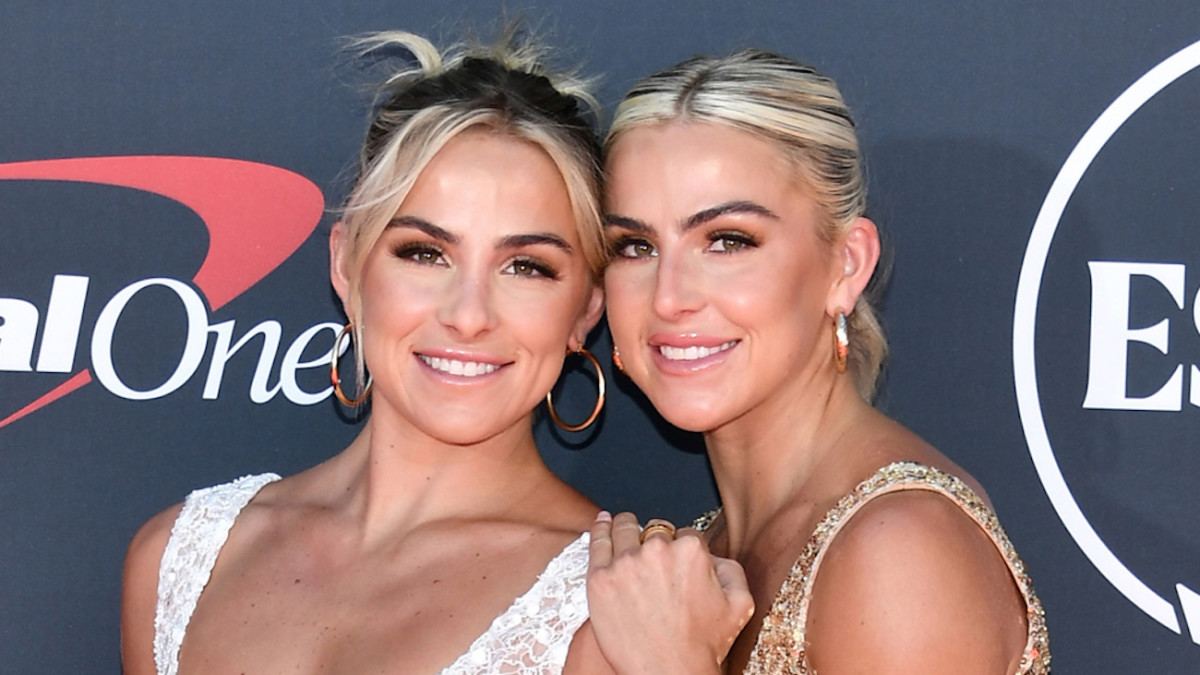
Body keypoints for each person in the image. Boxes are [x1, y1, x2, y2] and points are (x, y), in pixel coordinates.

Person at [121, 29, 618, 675]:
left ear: (586, 308)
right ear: (348, 265)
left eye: (526, 266)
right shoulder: (176, 557)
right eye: (424, 252)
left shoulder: (613, 607)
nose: (468, 315)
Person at [587, 49, 1050, 674]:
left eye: (728, 241)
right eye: (635, 246)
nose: (669, 298)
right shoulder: (700, 553)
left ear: (846, 264)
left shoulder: (900, 549)